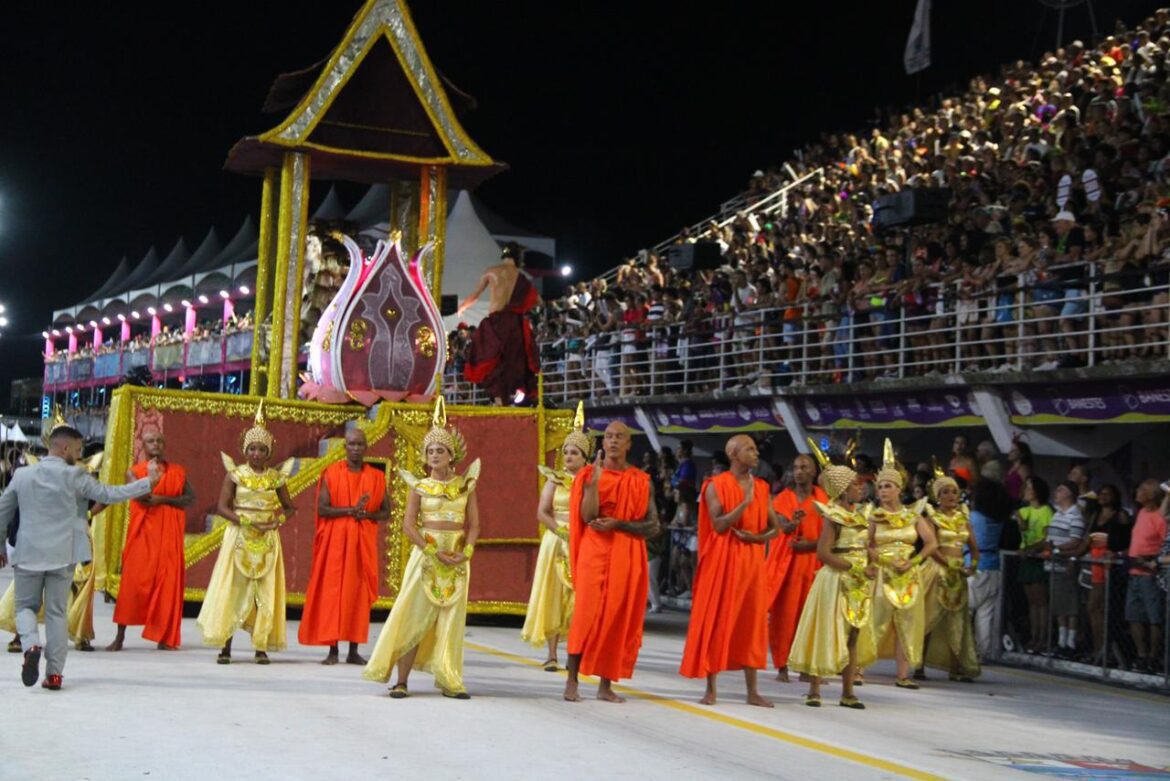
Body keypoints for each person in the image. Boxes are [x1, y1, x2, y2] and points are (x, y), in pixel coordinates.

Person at [0, 425, 159, 690]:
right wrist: (147, 483)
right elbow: (110, 494)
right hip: (63, 554)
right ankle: (54, 674)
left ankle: (30, 646)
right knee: (56, 613)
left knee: (25, 607)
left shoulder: (22, 475)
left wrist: (1, 548)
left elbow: (2, 513)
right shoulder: (76, 475)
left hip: (28, 552)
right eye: (77, 449)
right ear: (64, 448)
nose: (79, 453)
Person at [364, 396, 480, 699]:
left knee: (451, 622)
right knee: (412, 615)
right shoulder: (419, 485)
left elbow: (475, 525)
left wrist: (465, 552)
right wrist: (432, 551)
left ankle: (449, 679)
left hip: (456, 559)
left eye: (440, 450)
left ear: (451, 454)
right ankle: (401, 681)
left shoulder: (466, 485)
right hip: (426, 557)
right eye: (430, 451)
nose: (435, 455)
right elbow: (408, 526)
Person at [679, 435, 780, 707]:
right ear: (734, 454)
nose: (756, 454)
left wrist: (758, 539)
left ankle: (752, 691)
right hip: (722, 561)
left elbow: (774, 527)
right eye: (750, 449)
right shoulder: (715, 485)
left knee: (751, 623)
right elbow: (720, 525)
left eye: (756, 449)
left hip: (751, 561)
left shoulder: (762, 487)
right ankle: (711, 688)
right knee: (718, 619)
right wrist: (744, 505)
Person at [563, 421, 659, 703]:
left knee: (618, 616)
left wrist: (620, 524)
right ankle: (572, 680)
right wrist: (592, 487)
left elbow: (653, 525)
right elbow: (587, 517)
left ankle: (606, 685)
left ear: (629, 444)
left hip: (627, 553)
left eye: (620, 437)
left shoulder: (641, 480)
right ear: (602, 443)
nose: (614, 441)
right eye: (609, 437)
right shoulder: (588, 475)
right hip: (595, 549)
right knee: (585, 613)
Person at [196, 403, 296, 664]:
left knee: (264, 591)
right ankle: (225, 645)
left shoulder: (276, 478)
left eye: (262, 449)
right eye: (252, 448)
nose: (257, 453)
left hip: (267, 541)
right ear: (245, 450)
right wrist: (244, 522)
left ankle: (260, 647)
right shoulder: (235, 475)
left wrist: (276, 522)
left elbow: (289, 508)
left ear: (269, 452)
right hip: (239, 537)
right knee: (233, 588)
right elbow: (221, 507)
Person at [788, 455, 876, 709]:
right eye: (855, 485)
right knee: (826, 631)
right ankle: (815, 689)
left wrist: (870, 563)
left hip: (857, 584)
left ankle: (848, 693)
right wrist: (852, 568)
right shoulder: (833, 515)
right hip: (835, 581)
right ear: (842, 489)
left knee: (853, 635)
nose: (860, 488)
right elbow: (824, 553)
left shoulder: (862, 515)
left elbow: (866, 547)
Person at [298, 428, 390, 665]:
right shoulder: (331, 473)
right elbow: (323, 509)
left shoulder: (377, 477)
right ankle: (332, 650)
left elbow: (386, 511)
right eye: (352, 444)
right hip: (336, 543)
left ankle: (353, 650)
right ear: (345, 447)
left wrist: (367, 514)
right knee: (334, 594)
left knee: (357, 595)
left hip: (362, 543)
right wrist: (350, 511)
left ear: (366, 447)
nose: (356, 449)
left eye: (360, 444)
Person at [107, 431, 194, 651]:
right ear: (143, 445)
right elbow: (143, 500)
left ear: (165, 444)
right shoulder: (133, 472)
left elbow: (189, 499)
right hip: (143, 535)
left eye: (159, 441)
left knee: (166, 585)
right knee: (132, 585)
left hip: (169, 537)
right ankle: (120, 637)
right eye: (150, 441)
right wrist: (153, 481)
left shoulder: (178, 472)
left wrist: (163, 499)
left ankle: (164, 637)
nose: (156, 444)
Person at [521, 403, 590, 670]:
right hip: (557, 542)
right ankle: (552, 654)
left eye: (574, 453)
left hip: (583, 543)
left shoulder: (591, 481)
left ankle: (578, 651)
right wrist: (561, 531)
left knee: (579, 597)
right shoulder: (555, 479)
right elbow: (542, 512)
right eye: (566, 452)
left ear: (585, 457)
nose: (568, 457)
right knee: (554, 595)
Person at [867, 440, 938, 689]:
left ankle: (903, 674)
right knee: (875, 621)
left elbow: (931, 543)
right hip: (883, 574)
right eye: (880, 487)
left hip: (909, 575)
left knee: (907, 623)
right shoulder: (873, 516)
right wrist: (884, 560)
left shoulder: (913, 515)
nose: (883, 491)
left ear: (899, 488)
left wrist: (914, 562)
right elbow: (866, 545)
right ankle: (857, 668)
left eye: (888, 486)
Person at [767, 452, 827, 682]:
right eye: (795, 467)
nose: (798, 471)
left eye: (804, 467)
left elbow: (832, 534)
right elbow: (782, 524)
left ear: (814, 471)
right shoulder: (783, 498)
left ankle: (806, 667)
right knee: (785, 616)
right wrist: (793, 524)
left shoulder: (823, 500)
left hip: (814, 565)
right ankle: (782, 665)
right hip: (788, 568)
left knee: (810, 617)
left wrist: (811, 545)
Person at [460, 242, 541, 405]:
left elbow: (475, 295)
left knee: (491, 361)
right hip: (515, 324)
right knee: (514, 363)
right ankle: (512, 398)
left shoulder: (491, 271)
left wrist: (462, 308)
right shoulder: (522, 278)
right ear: (518, 258)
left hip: (496, 323)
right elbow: (538, 301)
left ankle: (499, 401)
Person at [920, 475, 980, 681]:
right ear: (937, 497)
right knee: (929, 617)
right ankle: (918, 665)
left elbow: (974, 548)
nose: (951, 496)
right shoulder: (932, 518)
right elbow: (933, 547)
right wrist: (948, 564)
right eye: (945, 492)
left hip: (958, 574)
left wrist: (971, 566)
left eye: (954, 491)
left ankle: (956, 668)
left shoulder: (964, 519)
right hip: (937, 571)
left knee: (958, 620)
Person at [1126, 480, 1166, 673]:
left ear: (1151, 496)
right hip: (1135, 571)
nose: (1138, 492)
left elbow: (1164, 545)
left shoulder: (1159, 517)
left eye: (1143, 490)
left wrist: (1152, 560)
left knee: (1154, 617)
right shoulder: (1141, 513)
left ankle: (1153, 655)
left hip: (1150, 573)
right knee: (1134, 615)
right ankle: (1141, 654)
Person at [1045, 481, 1087, 659]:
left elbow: (1075, 540)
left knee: (1070, 605)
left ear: (1069, 494)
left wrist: (1057, 549)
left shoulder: (1075, 516)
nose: (1057, 492)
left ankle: (1070, 642)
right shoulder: (1057, 514)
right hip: (1053, 565)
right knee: (1059, 604)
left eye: (1061, 489)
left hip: (1065, 565)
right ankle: (1061, 640)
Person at [1016, 476, 1054, 654]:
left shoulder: (1046, 510)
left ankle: (1043, 637)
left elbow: (1047, 537)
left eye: (1030, 488)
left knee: (1041, 602)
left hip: (1038, 557)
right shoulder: (1024, 510)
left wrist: (1033, 548)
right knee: (1031, 601)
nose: (1027, 491)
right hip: (1027, 557)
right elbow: (1022, 529)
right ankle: (1033, 636)